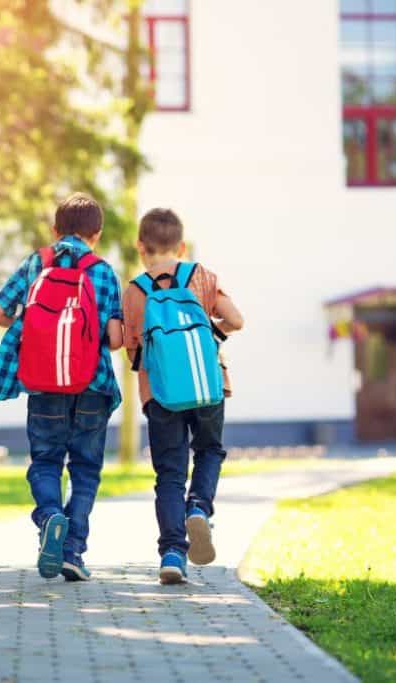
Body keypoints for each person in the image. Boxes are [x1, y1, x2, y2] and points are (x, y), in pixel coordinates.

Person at [0, 192, 124, 581]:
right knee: (86, 470)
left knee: (45, 462)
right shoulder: (103, 271)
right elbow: (115, 338)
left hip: (44, 384)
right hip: (92, 384)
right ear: (98, 234)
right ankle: (73, 550)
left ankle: (49, 517)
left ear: (55, 230)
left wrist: (37, 328)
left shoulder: (35, 263)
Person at [123, 208, 244, 584]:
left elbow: (131, 349)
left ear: (140, 247)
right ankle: (200, 507)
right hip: (208, 386)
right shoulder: (202, 277)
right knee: (209, 451)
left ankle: (173, 553)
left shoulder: (136, 290)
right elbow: (236, 320)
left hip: (161, 393)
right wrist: (210, 331)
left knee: (170, 473)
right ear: (182, 245)